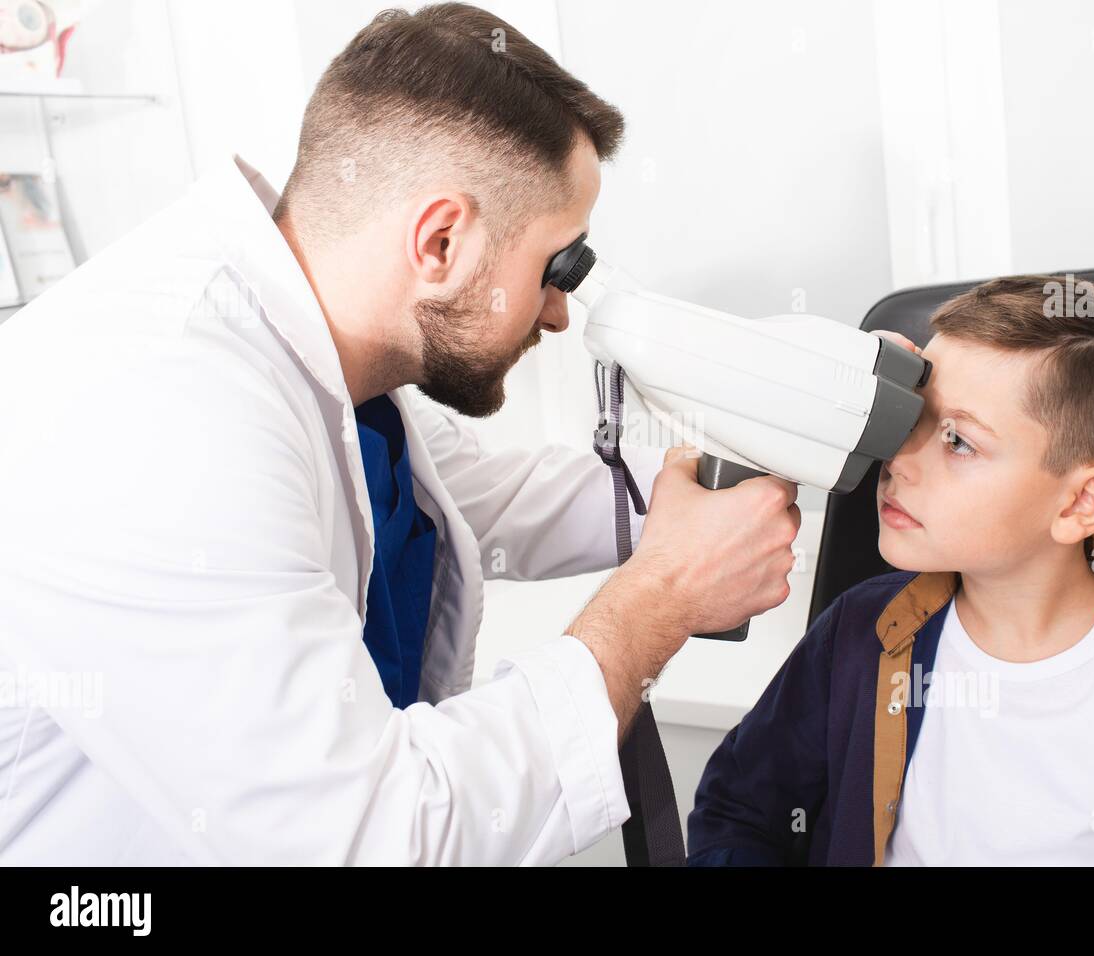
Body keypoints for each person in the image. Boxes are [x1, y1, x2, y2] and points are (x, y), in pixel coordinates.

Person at [0, 3, 800, 865]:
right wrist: (664, 599)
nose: (563, 313)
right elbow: (371, 835)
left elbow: (497, 498)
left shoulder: (321, 351)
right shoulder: (165, 414)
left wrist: (769, 445)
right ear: (442, 240)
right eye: (555, 267)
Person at [688, 276, 1094, 866]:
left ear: (1080, 503)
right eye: (909, 420)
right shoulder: (854, 636)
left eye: (958, 442)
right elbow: (740, 811)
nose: (899, 459)